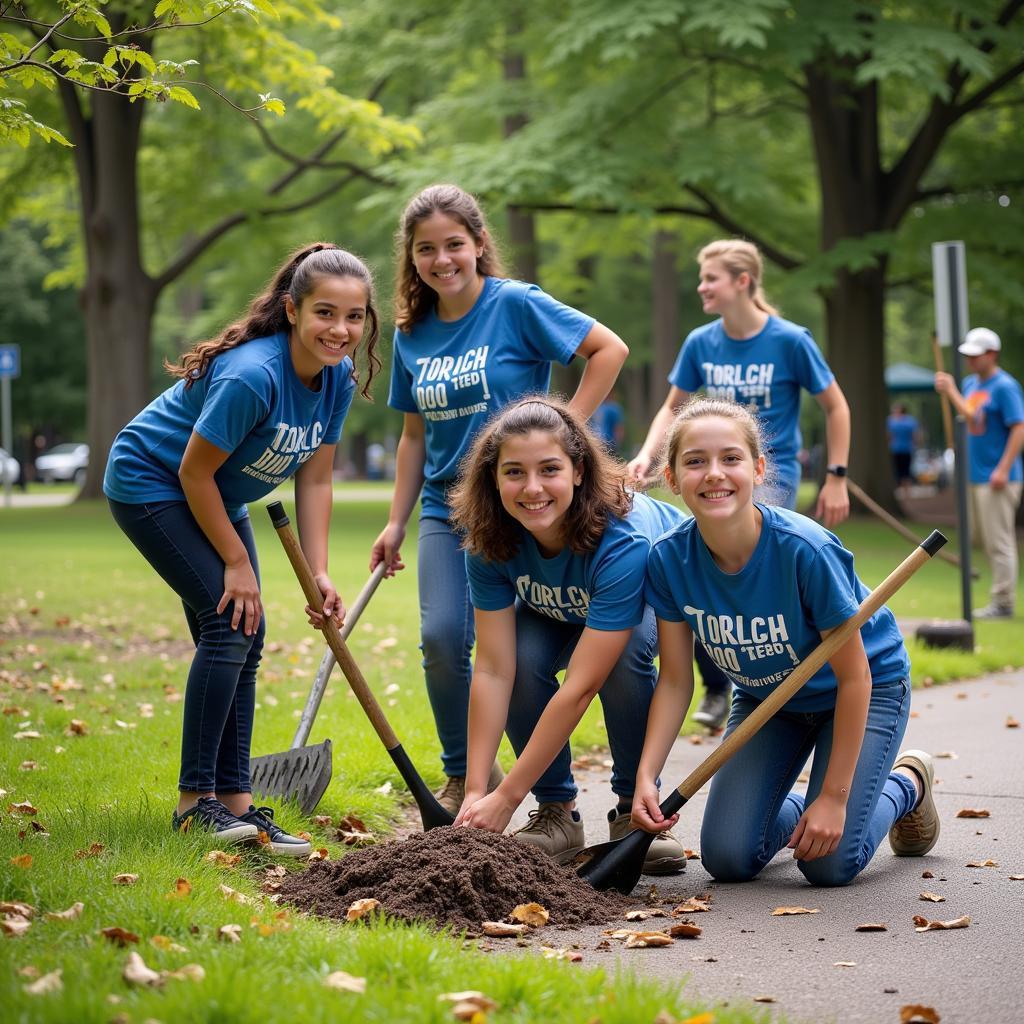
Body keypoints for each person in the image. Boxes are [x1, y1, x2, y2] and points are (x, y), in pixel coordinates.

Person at [104, 243, 380, 854]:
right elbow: (192, 474)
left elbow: (315, 476)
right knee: (229, 626)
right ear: (291, 310)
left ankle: (235, 803)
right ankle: (193, 804)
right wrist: (234, 562)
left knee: (245, 635)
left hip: (214, 495)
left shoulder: (333, 378)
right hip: (153, 482)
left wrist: (320, 572)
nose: (340, 330)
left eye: (354, 316)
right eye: (325, 313)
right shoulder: (253, 374)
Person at [371, 184, 629, 813]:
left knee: (524, 653)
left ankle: (560, 799)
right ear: (413, 257)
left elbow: (608, 349)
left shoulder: (514, 305)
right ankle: (464, 776)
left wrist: (564, 437)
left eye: (454, 244)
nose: (442, 260)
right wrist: (396, 521)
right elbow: (412, 435)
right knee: (440, 639)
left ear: (479, 244)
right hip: (445, 506)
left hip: (523, 500)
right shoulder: (411, 332)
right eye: (426, 249)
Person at [631, 397, 939, 887]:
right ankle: (805, 802)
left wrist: (836, 798)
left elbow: (855, 676)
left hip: (863, 691)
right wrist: (646, 775)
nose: (714, 474)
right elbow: (673, 681)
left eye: (730, 459)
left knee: (829, 864)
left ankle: (905, 785)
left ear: (756, 469)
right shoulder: (668, 561)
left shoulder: (804, 550)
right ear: (672, 478)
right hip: (767, 700)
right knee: (728, 858)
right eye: (695, 461)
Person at [449, 397, 686, 872]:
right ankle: (557, 813)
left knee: (620, 663)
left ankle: (631, 810)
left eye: (549, 469)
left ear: (578, 470)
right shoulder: (492, 537)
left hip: (639, 602)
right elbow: (494, 668)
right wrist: (478, 788)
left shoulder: (623, 539)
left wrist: (507, 795)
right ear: (493, 479)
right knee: (518, 658)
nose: (532, 488)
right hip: (558, 605)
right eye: (514, 472)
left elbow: (582, 688)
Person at [627, 238, 852, 731]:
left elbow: (836, 406)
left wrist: (837, 476)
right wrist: (648, 453)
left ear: (743, 281)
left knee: (757, 575)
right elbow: (671, 406)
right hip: (712, 470)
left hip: (769, 473)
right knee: (702, 570)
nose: (702, 286)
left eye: (711, 278)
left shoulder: (791, 341)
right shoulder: (701, 342)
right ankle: (718, 684)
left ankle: (782, 680)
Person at [935, 327, 1024, 619]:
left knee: (1000, 541)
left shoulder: (1004, 386)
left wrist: (1003, 468)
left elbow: (1019, 428)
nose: (971, 361)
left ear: (992, 354)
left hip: (998, 477)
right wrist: (952, 394)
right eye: (968, 356)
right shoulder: (972, 384)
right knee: (982, 539)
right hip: (975, 475)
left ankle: (1003, 603)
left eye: (977, 355)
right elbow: (971, 418)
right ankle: (999, 598)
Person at [886, 402, 920, 489]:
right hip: (904, 449)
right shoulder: (911, 421)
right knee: (905, 471)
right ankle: (905, 491)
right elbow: (915, 436)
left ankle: (903, 490)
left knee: (900, 471)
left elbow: (889, 436)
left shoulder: (891, 421)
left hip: (899, 449)